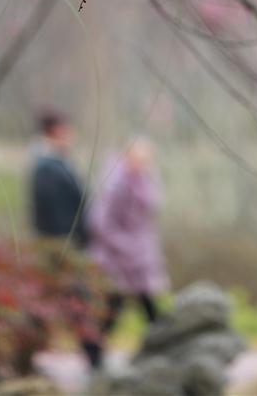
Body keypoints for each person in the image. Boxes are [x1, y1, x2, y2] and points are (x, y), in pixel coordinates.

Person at [28, 109, 100, 368]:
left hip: (66, 245)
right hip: (60, 247)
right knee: (74, 300)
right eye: (65, 131)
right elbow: (53, 212)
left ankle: (93, 356)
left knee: (54, 302)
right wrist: (68, 244)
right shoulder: (46, 168)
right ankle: (94, 358)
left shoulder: (57, 164)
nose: (70, 136)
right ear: (54, 132)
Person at [85, 139, 168, 364]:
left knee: (142, 304)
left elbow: (147, 215)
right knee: (118, 304)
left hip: (138, 258)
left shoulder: (144, 181)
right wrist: (125, 246)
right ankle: (94, 352)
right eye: (139, 160)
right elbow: (99, 223)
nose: (143, 165)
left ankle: (164, 348)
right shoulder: (114, 184)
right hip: (118, 258)